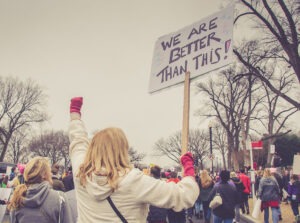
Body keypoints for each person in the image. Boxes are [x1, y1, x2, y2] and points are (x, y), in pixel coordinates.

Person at [68, 97, 199, 222]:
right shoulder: (131, 180)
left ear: (93, 148)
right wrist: (188, 167)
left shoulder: (81, 175)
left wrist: (75, 116)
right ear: (122, 151)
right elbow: (183, 196)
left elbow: (78, 142)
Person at [8, 156, 72, 223]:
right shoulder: (59, 198)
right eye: (49, 171)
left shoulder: (17, 198)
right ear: (43, 174)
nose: (51, 174)